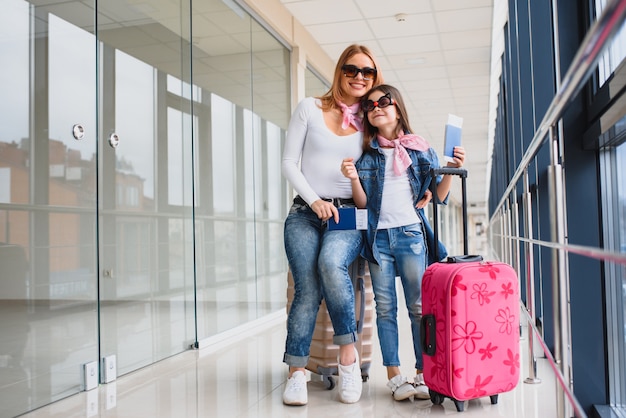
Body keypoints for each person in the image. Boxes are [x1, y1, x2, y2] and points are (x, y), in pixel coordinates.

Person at [341, 84, 465, 401]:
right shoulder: (365, 155)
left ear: (397, 107)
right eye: (369, 105)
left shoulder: (421, 150)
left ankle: (424, 373)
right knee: (385, 309)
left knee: (419, 307)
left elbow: (438, 195)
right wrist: (354, 178)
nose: (376, 107)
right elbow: (363, 203)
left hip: (411, 235)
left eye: (383, 101)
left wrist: (449, 170)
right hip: (378, 239)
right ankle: (395, 376)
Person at [281, 44, 384, 405]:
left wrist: (435, 182)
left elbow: (399, 155)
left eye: (367, 72)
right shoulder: (309, 107)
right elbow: (289, 163)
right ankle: (296, 373)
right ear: (339, 71)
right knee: (307, 288)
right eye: (352, 69)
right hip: (305, 212)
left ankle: (348, 359)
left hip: (348, 217)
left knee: (330, 263)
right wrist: (315, 201)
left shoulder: (371, 123)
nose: (359, 77)